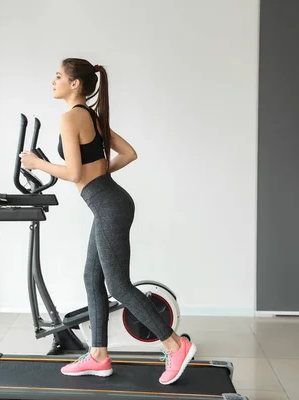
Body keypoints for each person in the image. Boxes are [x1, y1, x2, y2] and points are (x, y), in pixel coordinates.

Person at [19, 58, 196, 385]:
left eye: (58, 76)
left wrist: (37, 163)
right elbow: (129, 153)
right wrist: (97, 177)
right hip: (110, 202)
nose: (52, 81)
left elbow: (73, 173)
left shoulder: (71, 118)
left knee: (117, 284)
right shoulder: (92, 117)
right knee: (92, 276)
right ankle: (99, 355)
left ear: (75, 84)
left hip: (109, 205)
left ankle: (175, 345)